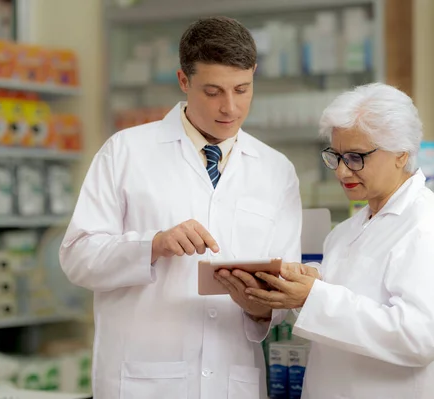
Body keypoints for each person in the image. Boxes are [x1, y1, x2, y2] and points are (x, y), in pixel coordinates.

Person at [59, 16, 302, 399]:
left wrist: (259, 306)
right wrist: (153, 245)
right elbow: (76, 257)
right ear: (184, 81)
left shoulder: (277, 171)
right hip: (143, 380)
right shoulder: (125, 153)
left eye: (242, 89)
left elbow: (285, 289)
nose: (230, 108)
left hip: (231, 380)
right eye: (213, 91)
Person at [246, 83, 434, 399]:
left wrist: (314, 298)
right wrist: (309, 284)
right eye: (336, 156)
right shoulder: (347, 231)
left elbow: (419, 337)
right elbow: (345, 311)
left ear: (401, 153)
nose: (342, 171)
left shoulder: (430, 228)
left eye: (356, 157)